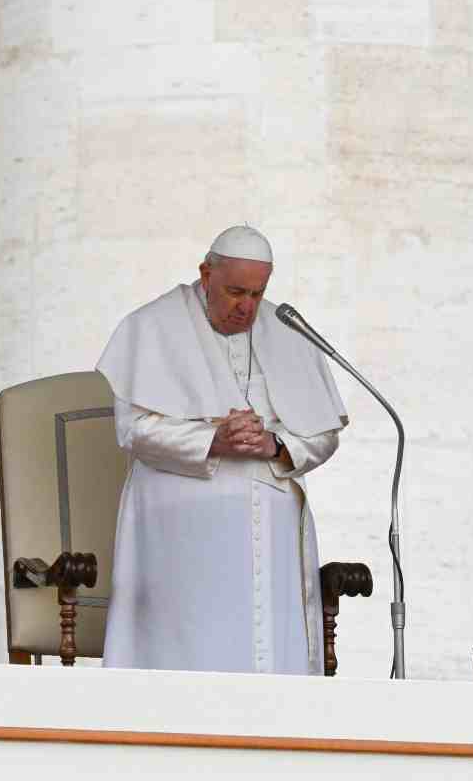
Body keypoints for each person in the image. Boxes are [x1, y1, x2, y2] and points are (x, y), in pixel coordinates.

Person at [97, 225, 348, 674]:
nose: (246, 307)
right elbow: (133, 430)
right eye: (235, 292)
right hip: (181, 527)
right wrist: (214, 439)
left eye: (257, 293)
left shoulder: (287, 330)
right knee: (185, 658)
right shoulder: (151, 326)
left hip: (271, 533)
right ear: (206, 274)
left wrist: (275, 444)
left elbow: (324, 433)